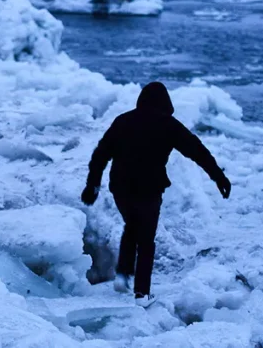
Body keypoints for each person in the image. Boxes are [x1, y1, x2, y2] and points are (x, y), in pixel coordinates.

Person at [81, 82, 232, 306]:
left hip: (121, 187)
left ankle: (123, 275)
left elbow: (101, 154)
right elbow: (197, 151)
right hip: (149, 188)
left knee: (132, 226)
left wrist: (93, 184)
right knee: (146, 240)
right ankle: (142, 293)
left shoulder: (123, 121)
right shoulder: (168, 124)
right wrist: (218, 177)